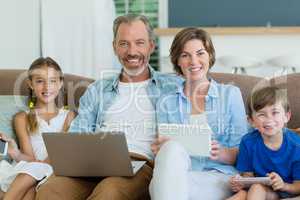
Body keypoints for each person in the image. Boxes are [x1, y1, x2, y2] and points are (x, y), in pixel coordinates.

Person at [35, 14, 182, 200]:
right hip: (91, 163)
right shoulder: (97, 89)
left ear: (151, 46)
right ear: (114, 47)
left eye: (139, 42)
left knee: (110, 192)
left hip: (138, 164)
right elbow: (78, 133)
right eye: (124, 44)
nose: (132, 51)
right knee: (51, 190)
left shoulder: (171, 87)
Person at [149, 27, 249, 200]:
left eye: (200, 53)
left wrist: (222, 153)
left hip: (218, 176)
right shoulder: (166, 101)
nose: (193, 61)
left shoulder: (230, 95)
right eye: (185, 55)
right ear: (177, 61)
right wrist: (160, 150)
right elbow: (167, 157)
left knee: (168, 187)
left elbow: (245, 152)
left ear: (209, 55)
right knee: (171, 149)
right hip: (179, 173)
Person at [0, 57, 76, 200]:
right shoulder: (22, 118)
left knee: (33, 179)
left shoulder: (68, 116)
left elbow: (62, 152)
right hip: (29, 171)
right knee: (29, 191)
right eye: (40, 81)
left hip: (53, 170)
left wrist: (42, 165)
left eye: (52, 81)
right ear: (31, 84)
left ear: (60, 84)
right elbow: (29, 159)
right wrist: (15, 152)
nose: (47, 87)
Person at [228, 86, 300, 200]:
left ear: (286, 116)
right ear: (251, 121)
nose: (269, 119)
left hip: (291, 190)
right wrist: (240, 182)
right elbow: (248, 175)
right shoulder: (248, 142)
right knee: (254, 188)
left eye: (275, 112)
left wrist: (283, 186)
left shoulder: (297, 146)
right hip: (268, 191)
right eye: (261, 114)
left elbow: (298, 185)